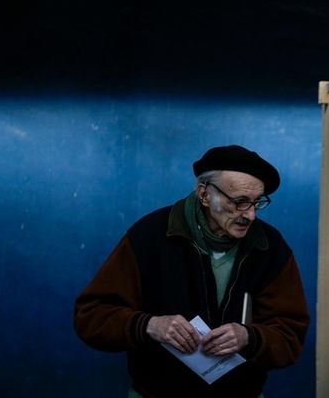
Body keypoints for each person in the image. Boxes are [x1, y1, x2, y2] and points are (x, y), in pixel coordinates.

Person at [74, 145, 309, 398]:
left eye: (256, 203)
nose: (250, 215)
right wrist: (150, 325)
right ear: (204, 195)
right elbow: (91, 316)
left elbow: (290, 335)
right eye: (239, 202)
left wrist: (249, 337)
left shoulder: (270, 247)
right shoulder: (150, 236)